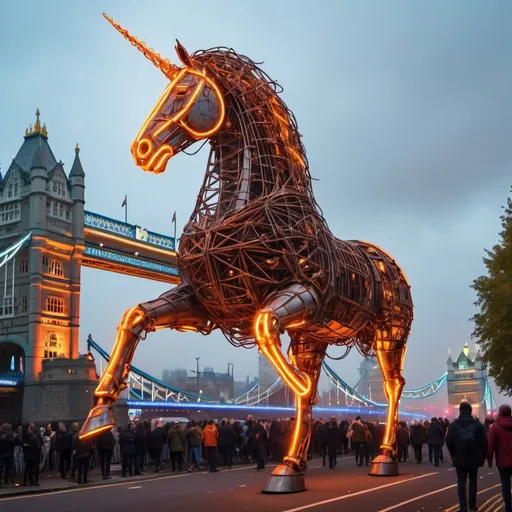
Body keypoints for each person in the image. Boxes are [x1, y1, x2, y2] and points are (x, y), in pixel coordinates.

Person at [446, 402, 488, 512]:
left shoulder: (453, 425)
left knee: (461, 482)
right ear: (471, 411)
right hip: (474, 457)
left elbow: (449, 442)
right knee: (473, 480)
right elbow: (484, 443)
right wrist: (483, 457)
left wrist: (453, 455)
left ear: (460, 411)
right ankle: (472, 505)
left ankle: (463, 507)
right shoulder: (478, 425)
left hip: (459, 456)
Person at [487, 404, 512, 512]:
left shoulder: (495, 427)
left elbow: (491, 445)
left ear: (500, 413)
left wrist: (489, 460)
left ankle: (508, 508)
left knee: (505, 485)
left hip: (502, 462)